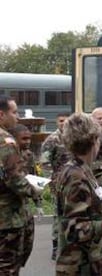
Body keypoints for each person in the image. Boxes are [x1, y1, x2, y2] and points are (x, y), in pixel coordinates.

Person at [55, 112, 102, 275]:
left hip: (89, 260)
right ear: (94, 141)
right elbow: (75, 229)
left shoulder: (79, 168)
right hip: (81, 265)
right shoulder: (76, 176)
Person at [0, 95, 43, 275]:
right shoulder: (6, 141)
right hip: (8, 217)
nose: (17, 117)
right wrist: (35, 190)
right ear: (1, 114)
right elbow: (14, 179)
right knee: (7, 267)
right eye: (14, 112)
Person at [8, 124, 44, 268]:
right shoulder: (8, 156)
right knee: (10, 254)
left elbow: (33, 179)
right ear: (15, 139)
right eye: (23, 139)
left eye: (29, 138)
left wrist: (39, 204)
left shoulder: (28, 156)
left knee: (27, 244)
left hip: (24, 207)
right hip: (9, 208)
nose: (27, 142)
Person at [39, 112, 72, 260]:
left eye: (65, 121)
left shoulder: (72, 138)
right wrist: (51, 180)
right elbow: (45, 163)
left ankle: (68, 243)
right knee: (58, 214)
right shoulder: (52, 140)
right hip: (58, 183)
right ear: (56, 122)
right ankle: (55, 246)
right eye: (60, 121)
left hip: (72, 182)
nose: (63, 123)